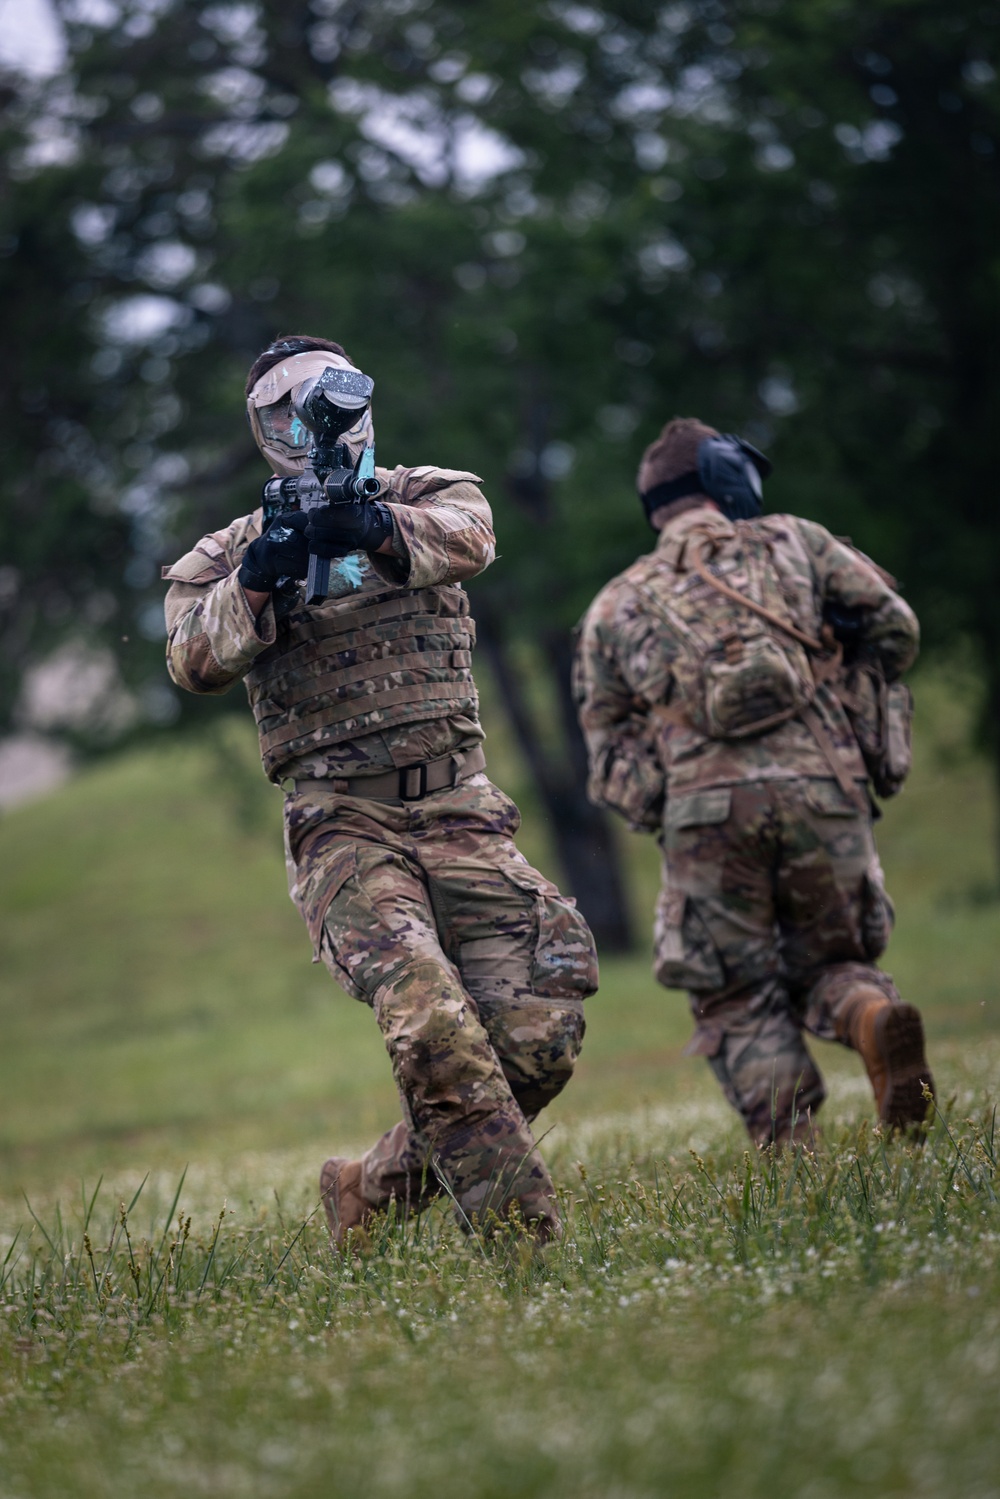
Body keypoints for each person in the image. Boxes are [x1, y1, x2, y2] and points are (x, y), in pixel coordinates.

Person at [162, 334, 597, 1244]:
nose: (311, 417)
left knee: (537, 1037)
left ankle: (375, 1186)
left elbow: (471, 538)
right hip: (342, 823)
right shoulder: (228, 552)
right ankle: (527, 1247)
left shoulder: (430, 492)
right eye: (287, 407)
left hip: (458, 807)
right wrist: (263, 574)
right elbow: (192, 658)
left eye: (326, 395)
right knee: (431, 1016)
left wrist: (372, 529)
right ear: (261, 429)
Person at [574, 416, 933, 1147]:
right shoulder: (800, 540)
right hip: (823, 788)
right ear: (728, 478)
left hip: (707, 814)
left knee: (735, 991)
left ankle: (792, 1146)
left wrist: (667, 808)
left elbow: (609, 742)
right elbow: (897, 631)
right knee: (832, 959)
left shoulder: (618, 601)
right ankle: (868, 1018)